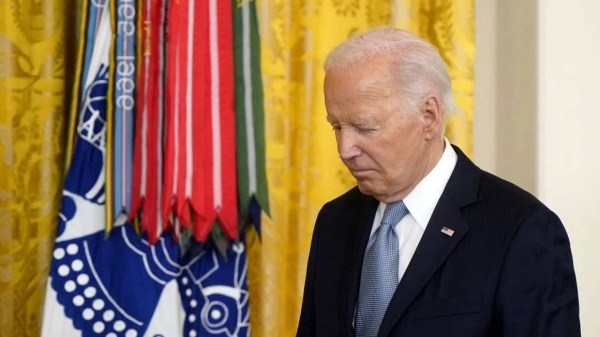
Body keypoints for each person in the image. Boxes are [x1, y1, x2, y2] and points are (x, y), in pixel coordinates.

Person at [296, 27, 580, 337]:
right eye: (336, 126)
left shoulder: (521, 230)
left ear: (429, 116)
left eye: (365, 128)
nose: (344, 149)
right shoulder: (335, 221)